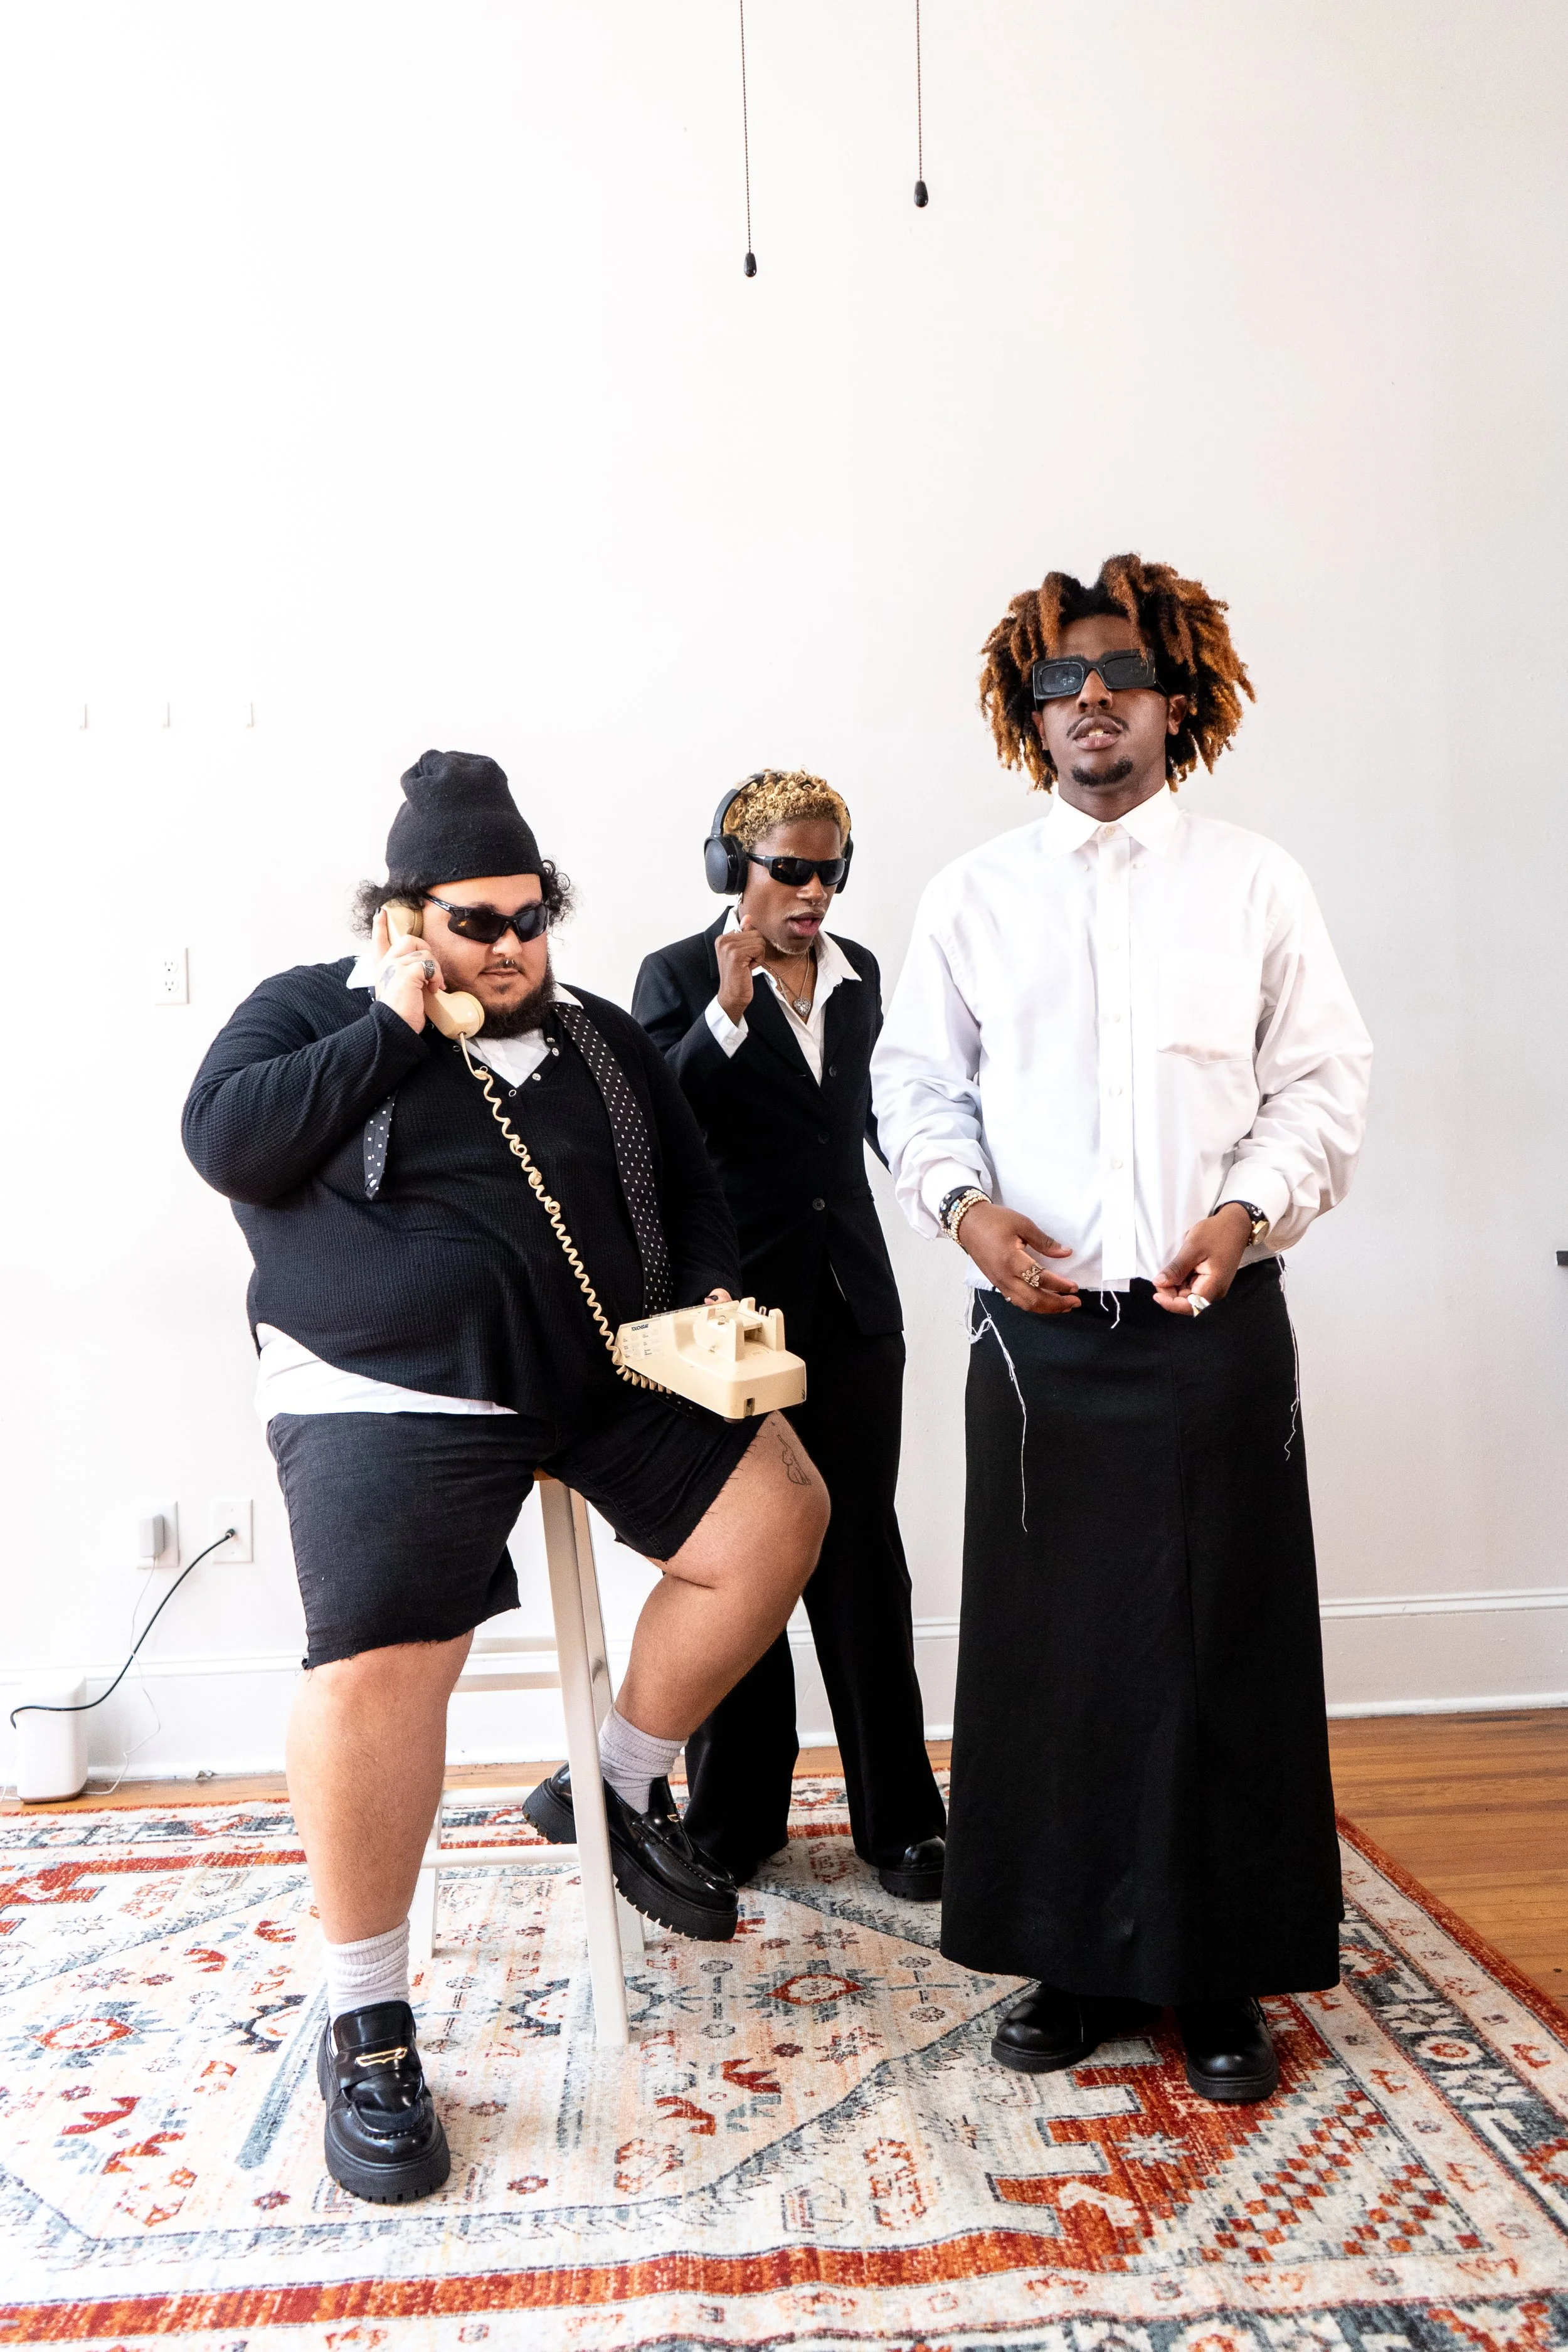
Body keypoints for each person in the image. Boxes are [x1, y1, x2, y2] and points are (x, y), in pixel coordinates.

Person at [183, 750, 827, 2205]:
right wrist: (391, 1028)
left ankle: (606, 1787)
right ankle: (367, 2020)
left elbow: (696, 1193)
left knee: (782, 1508)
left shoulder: (600, 1038)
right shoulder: (311, 1014)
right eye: (479, 922)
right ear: (405, 919)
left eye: (532, 917)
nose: (516, 948)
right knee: (383, 1660)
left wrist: (710, 1305)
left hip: (601, 1367)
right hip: (389, 1384)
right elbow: (223, 1144)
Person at [871, 556, 1372, 2104]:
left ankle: (1211, 1971)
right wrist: (962, 1210)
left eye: (1115, 674)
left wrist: (1248, 1211)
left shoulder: (1255, 882)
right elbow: (913, 1091)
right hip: (1032, 1338)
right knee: (1047, 1657)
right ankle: (1068, 1958)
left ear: (1174, 699)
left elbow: (1321, 1083)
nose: (1086, 699)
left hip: (1210, 1320)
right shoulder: (968, 896)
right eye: (1056, 682)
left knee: (1216, 1650)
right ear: (1030, 716)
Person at [632, 771, 946, 1897]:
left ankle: (902, 1819)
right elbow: (658, 1129)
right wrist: (725, 1014)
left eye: (831, 869)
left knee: (864, 1555)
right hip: (735, 1321)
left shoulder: (860, 980)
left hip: (857, 1310)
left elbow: (893, 1119)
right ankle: (732, 1815)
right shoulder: (675, 977)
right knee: (746, 1556)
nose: (814, 890)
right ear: (734, 870)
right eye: (792, 869)